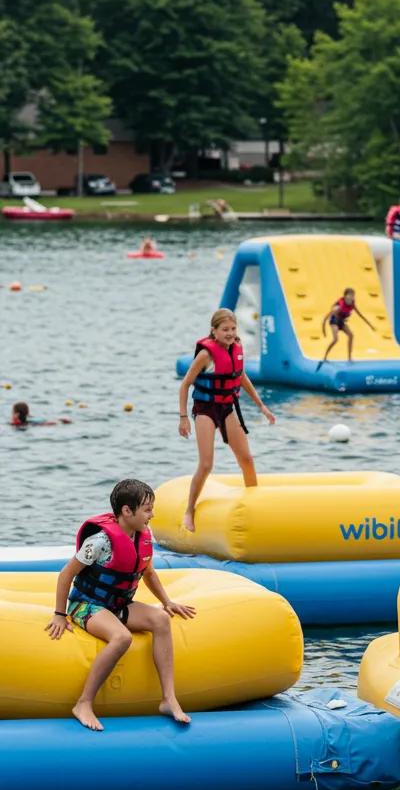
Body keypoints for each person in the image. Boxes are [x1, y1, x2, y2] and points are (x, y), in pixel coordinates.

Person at [44, 478, 197, 732]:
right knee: (121, 637)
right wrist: (60, 614)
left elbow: (148, 573)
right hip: (86, 605)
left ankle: (168, 699)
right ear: (127, 511)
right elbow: (66, 575)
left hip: (118, 605)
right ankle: (84, 703)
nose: (152, 514)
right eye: (147, 509)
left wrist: (166, 602)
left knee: (161, 620)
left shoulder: (141, 536)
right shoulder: (100, 543)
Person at [178, 308, 276, 532]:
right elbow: (184, 386)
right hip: (206, 409)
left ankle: (254, 506)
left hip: (228, 407)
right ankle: (189, 510)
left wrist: (261, 406)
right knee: (206, 464)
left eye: (233, 329)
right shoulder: (206, 355)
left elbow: (240, 376)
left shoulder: (236, 349)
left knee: (247, 459)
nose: (230, 334)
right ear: (214, 331)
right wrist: (184, 418)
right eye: (225, 330)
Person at [317, 287, 376, 368]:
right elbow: (326, 318)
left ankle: (349, 358)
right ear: (345, 296)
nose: (351, 297)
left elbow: (360, 315)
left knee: (351, 335)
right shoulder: (339, 306)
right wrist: (323, 330)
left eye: (353, 296)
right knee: (335, 339)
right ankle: (325, 357)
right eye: (350, 296)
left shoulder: (352, 304)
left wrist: (370, 325)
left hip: (341, 322)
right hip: (334, 321)